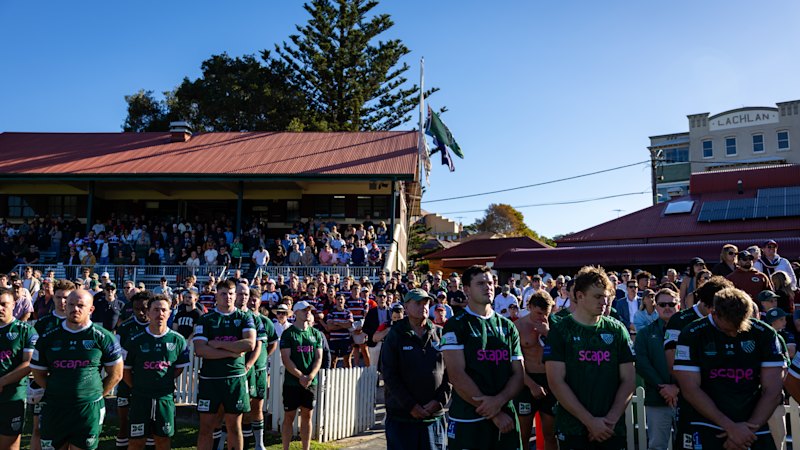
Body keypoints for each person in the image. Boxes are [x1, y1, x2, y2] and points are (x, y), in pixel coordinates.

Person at [673, 287, 786, 450]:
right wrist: (730, 427)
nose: (734, 333)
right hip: (704, 422)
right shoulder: (692, 333)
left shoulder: (765, 334)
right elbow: (690, 389)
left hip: (752, 424)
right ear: (713, 313)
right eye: (728, 328)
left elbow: (773, 390)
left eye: (739, 327)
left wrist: (746, 432)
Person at [544, 265, 636, 450]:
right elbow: (555, 381)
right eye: (597, 296)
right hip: (573, 428)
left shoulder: (617, 330)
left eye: (606, 296)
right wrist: (590, 421)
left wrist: (610, 420)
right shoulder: (561, 330)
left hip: (612, 428)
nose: (604, 301)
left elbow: (629, 379)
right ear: (579, 296)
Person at [440, 265, 524, 450]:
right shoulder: (455, 325)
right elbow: (456, 374)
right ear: (467, 289)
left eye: (490, 282)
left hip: (506, 414)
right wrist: (494, 413)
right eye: (481, 283)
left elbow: (518, 374)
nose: (488, 287)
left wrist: (499, 402)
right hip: (469, 416)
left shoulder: (508, 326)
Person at [31, 289, 124, 450]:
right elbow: (38, 374)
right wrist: (57, 390)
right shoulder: (48, 337)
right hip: (55, 407)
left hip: (87, 409)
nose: (75, 309)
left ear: (91, 310)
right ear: (65, 306)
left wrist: (94, 394)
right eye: (71, 304)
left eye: (81, 305)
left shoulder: (104, 337)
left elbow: (116, 374)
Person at [663, 275, 733, 450]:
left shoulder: (726, 319)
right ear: (707, 304)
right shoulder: (680, 320)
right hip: (691, 400)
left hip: (723, 398)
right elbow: (672, 363)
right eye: (716, 309)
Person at [381, 288, 450, 450]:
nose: (424, 306)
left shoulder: (440, 333)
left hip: (433, 417)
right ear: (406, 306)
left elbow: (451, 373)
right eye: (418, 303)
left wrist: (440, 401)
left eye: (426, 303)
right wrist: (411, 406)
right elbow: (389, 374)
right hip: (402, 417)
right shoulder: (395, 335)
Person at [193, 279, 257, 450]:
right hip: (210, 379)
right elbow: (200, 350)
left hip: (234, 378)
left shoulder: (244, 317)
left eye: (230, 294)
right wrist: (232, 352)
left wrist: (218, 344)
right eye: (223, 293)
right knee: (206, 427)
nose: (227, 297)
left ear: (235, 295)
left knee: (234, 427)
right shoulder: (206, 319)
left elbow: (250, 344)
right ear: (216, 295)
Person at [123, 294, 190, 450]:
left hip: (165, 398)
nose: (160, 313)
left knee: (163, 441)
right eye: (156, 310)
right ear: (148, 313)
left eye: (164, 310)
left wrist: (162, 383)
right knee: (136, 442)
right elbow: (125, 371)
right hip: (140, 398)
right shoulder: (135, 340)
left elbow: (178, 368)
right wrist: (138, 387)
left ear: (169, 313)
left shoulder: (178, 340)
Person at [29, 279, 75, 450]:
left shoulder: (81, 322)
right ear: (53, 297)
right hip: (45, 382)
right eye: (59, 297)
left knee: (71, 432)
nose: (63, 302)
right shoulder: (43, 323)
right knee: (38, 428)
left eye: (66, 298)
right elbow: (34, 356)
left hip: (72, 384)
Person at [634, 288, 680, 450]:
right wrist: (663, 387)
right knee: (656, 446)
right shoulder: (645, 333)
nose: (667, 307)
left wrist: (677, 388)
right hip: (657, 399)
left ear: (678, 306)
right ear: (656, 306)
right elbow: (641, 363)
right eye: (662, 304)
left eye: (671, 303)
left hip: (688, 400)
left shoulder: (691, 332)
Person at [514, 290, 557, 450]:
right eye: (539, 313)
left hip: (549, 380)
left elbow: (562, 354)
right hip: (526, 382)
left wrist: (548, 334)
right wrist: (531, 384)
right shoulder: (518, 326)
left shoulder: (554, 326)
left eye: (546, 314)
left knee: (550, 434)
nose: (542, 318)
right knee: (523, 435)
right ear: (530, 307)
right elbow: (515, 362)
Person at [280, 300, 324, 450]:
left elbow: (319, 358)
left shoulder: (316, 334)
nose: (308, 313)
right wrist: (301, 376)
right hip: (292, 383)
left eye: (309, 310)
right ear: (296, 313)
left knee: (307, 416)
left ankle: (306, 448)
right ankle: (285, 448)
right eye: (304, 310)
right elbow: (286, 358)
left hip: (310, 383)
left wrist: (310, 376)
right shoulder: (288, 334)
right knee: (289, 417)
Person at [0, 287, 38, 450]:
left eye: (3, 304)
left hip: (12, 396)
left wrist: (1, 381)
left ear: (14, 304)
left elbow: (29, 363)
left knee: (9, 445)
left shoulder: (25, 331)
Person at [114, 291, 152, 450]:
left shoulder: (158, 326)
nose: (141, 312)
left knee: (151, 420)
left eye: (144, 308)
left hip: (149, 380)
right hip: (126, 380)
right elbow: (117, 356)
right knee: (123, 421)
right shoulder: (124, 328)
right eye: (137, 309)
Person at [244, 287, 278, 450]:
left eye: (254, 298)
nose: (252, 301)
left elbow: (272, 343)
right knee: (242, 406)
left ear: (259, 301)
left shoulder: (266, 321)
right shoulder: (242, 318)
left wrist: (263, 357)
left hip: (259, 370)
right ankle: (241, 441)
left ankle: (259, 443)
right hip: (243, 369)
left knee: (257, 406)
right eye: (249, 298)